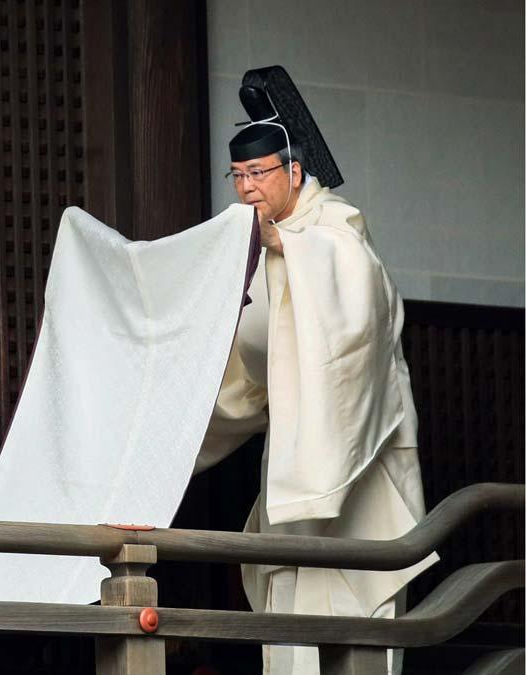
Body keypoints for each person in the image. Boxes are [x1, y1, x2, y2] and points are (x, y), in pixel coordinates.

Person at [197, 66, 436, 675]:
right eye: (239, 177)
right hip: (293, 465)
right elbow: (247, 383)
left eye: (258, 174)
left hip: (358, 471)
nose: (246, 188)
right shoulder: (253, 248)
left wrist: (288, 247)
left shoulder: (333, 229)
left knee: (356, 622)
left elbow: (355, 298)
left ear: (295, 173)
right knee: (289, 623)